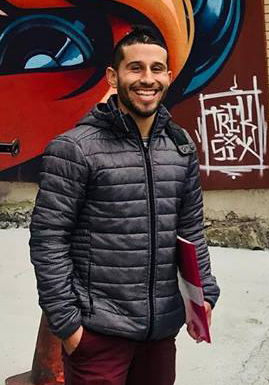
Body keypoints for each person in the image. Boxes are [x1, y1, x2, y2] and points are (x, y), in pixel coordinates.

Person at [29, 26, 219, 385]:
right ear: (114, 77)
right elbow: (48, 240)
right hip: (98, 335)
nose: (147, 79)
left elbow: (191, 230)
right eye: (136, 68)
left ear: (168, 76)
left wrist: (204, 294)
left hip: (160, 332)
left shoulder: (180, 148)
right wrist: (68, 325)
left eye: (156, 69)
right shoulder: (75, 149)